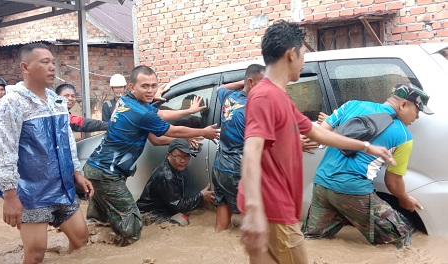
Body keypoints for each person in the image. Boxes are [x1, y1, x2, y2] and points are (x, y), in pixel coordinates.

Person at [237, 21, 395, 264]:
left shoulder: (280, 97)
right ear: (292, 53)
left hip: (272, 208)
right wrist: (255, 212)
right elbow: (251, 151)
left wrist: (366, 146)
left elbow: (316, 131)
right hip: (271, 207)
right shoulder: (265, 96)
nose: (304, 61)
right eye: (303, 54)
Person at [85, 65, 220, 246]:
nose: (150, 90)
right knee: (132, 229)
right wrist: (202, 132)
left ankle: (90, 244)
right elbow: (172, 130)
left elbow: (160, 120)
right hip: (107, 175)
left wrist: (188, 111)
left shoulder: (126, 101)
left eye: (153, 86)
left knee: (99, 221)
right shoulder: (141, 113)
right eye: (145, 86)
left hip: (98, 169)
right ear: (132, 87)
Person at [0, 43, 94, 264]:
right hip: (31, 192)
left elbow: (67, 142)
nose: (52, 68)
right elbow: (1, 151)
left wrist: (77, 172)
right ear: (25, 67)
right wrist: (10, 196)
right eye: (45, 62)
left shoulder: (57, 101)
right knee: (36, 253)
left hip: (62, 185)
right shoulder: (11, 104)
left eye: (53, 62)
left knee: (81, 239)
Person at [302, 82, 432, 248]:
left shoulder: (352, 105)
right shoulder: (403, 135)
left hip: (321, 184)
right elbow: (392, 182)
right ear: (403, 104)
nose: (418, 117)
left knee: (312, 239)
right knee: (401, 237)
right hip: (353, 191)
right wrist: (404, 198)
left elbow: (321, 132)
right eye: (418, 110)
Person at [212, 64, 265, 232]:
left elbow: (219, 88)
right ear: (251, 82)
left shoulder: (229, 96)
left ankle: (219, 236)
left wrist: (243, 84)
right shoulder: (254, 108)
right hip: (237, 169)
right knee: (256, 213)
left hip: (219, 166)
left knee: (223, 206)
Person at [136, 138, 214, 226]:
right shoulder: (166, 176)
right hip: (149, 213)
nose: (183, 161)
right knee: (181, 221)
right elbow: (178, 206)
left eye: (186, 157)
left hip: (160, 208)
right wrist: (201, 197)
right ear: (168, 155)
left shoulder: (172, 168)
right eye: (179, 156)